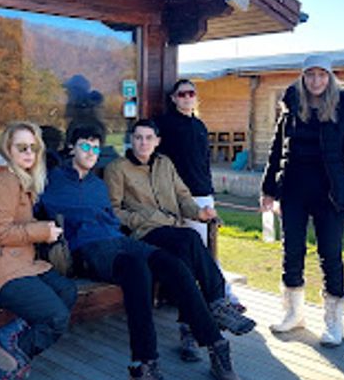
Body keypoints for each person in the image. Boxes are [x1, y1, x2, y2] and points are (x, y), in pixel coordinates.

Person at [39, 123, 242, 380]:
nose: (92, 152)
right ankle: (142, 372)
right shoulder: (53, 181)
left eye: (96, 147)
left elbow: (111, 218)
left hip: (118, 242)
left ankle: (216, 345)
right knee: (136, 269)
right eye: (85, 145)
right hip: (88, 250)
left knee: (172, 264)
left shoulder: (98, 186)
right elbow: (30, 206)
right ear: (71, 147)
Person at [104, 119, 255, 364]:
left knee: (185, 254)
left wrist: (198, 213)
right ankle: (216, 302)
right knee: (190, 237)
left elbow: (183, 197)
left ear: (157, 141)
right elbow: (113, 210)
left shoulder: (165, 164)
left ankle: (190, 331)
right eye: (138, 137)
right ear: (131, 140)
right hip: (144, 233)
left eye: (148, 138)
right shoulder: (117, 168)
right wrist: (144, 218)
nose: (143, 143)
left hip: (173, 230)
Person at [0, 121, 77, 380]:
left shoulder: (19, 179)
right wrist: (42, 231)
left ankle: (7, 343)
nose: (29, 153)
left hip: (20, 260)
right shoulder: (4, 180)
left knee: (66, 291)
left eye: (34, 148)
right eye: (21, 148)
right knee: (56, 318)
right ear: (8, 149)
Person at [260, 54, 344, 347]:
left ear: (330, 78)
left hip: (331, 194)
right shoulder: (291, 107)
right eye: (310, 75)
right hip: (293, 191)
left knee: (330, 255)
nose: (316, 81)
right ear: (303, 77)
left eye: (321, 75)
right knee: (291, 252)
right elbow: (275, 152)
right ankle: (293, 314)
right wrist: (268, 189)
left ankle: (333, 322)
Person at [155, 78, 245, 311]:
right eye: (182, 94)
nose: (187, 98)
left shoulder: (200, 126)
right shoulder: (163, 125)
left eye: (191, 94)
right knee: (186, 249)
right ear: (173, 98)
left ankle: (221, 295)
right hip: (176, 196)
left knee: (207, 246)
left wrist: (209, 191)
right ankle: (201, 296)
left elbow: (203, 162)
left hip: (202, 194)